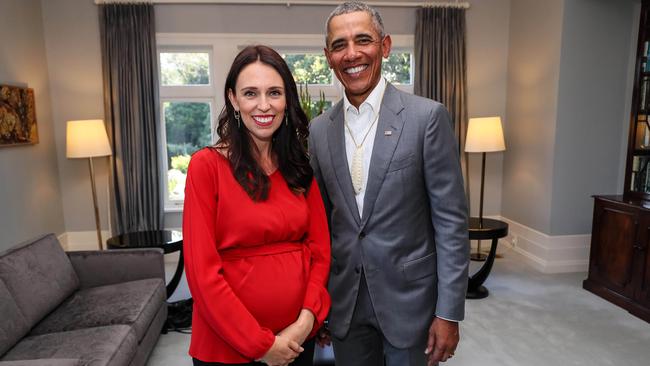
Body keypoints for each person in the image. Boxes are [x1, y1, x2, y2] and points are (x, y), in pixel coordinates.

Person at [308, 2, 470, 366]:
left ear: (385, 46)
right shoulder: (319, 131)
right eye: (339, 45)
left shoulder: (427, 118)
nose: (352, 54)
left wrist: (449, 312)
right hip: (345, 304)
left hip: (411, 303)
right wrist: (319, 302)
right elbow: (321, 227)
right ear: (328, 57)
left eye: (363, 40)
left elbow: (451, 224)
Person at [183, 45, 331, 366]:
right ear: (233, 99)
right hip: (228, 350)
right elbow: (202, 274)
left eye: (274, 93)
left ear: (287, 100)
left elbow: (321, 252)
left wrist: (306, 322)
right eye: (251, 93)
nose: (264, 105)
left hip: (296, 342)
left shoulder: (299, 168)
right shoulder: (206, 167)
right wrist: (261, 345)